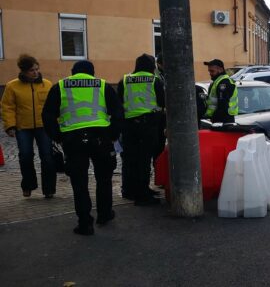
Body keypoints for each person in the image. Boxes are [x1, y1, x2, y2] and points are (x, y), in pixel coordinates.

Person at [42, 60, 122, 235]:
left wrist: (58, 136)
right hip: (101, 138)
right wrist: (113, 134)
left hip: (73, 140)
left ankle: (85, 223)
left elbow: (47, 114)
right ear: (92, 72)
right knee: (104, 178)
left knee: (79, 183)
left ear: (73, 72)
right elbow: (117, 112)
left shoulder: (60, 86)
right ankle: (105, 214)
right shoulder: (102, 85)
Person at [1, 54, 57, 198]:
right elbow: (7, 107)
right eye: (32, 70)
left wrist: (55, 124)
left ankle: (49, 189)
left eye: (37, 69)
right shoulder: (12, 86)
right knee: (25, 156)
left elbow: (53, 106)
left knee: (47, 157)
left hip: (43, 126)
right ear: (24, 71)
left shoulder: (47, 84)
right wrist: (10, 126)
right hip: (22, 127)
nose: (35, 72)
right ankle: (28, 186)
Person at [117, 54, 165, 205]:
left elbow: (119, 102)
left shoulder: (124, 80)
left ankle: (132, 190)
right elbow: (162, 101)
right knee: (144, 160)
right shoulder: (154, 80)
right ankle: (143, 195)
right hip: (148, 125)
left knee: (131, 159)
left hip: (129, 126)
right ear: (152, 66)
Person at [204, 59, 238, 123]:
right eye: (209, 71)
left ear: (220, 70)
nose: (210, 73)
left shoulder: (224, 83)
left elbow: (223, 105)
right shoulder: (217, 81)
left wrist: (214, 117)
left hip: (223, 120)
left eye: (212, 71)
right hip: (220, 119)